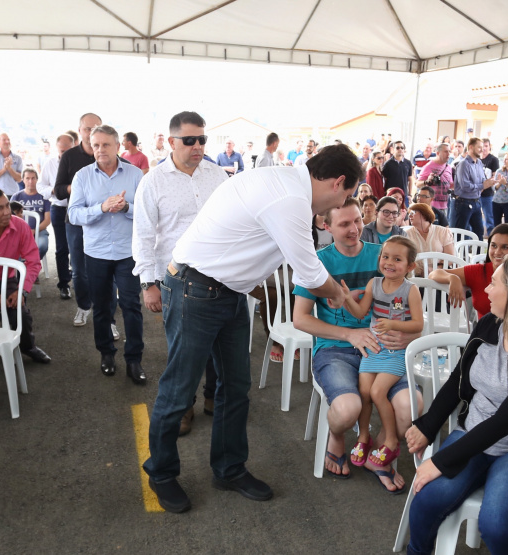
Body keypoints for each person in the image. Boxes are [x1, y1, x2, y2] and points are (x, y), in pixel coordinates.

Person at [142, 144, 357, 513]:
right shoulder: (289, 198)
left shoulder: (285, 184)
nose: (338, 208)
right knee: (179, 390)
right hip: (196, 289)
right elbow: (310, 274)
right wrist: (342, 296)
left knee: (235, 387)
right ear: (338, 183)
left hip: (228, 292)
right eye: (347, 197)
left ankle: (228, 469)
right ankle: (160, 472)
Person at [406, 253, 508, 555]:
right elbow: (460, 378)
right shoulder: (489, 323)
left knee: (496, 525)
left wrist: (442, 461)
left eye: (494, 283)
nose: (486, 290)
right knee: (426, 499)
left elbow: (505, 421)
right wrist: (429, 425)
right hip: (474, 432)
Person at [292, 197, 421, 492]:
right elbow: (300, 320)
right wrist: (350, 335)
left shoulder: (384, 256)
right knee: (348, 407)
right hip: (336, 347)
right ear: (326, 226)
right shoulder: (318, 262)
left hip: (384, 347)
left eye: (358, 221)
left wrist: (409, 335)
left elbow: (411, 303)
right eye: (344, 224)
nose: (355, 229)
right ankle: (337, 436)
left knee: (410, 408)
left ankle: (378, 451)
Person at [132, 111, 224, 434]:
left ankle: (213, 398)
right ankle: (184, 407)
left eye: (202, 139)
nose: (197, 146)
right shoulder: (153, 182)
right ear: (171, 142)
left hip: (217, 275)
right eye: (189, 140)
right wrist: (148, 283)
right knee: (182, 349)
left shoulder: (217, 176)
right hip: (175, 280)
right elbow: (143, 235)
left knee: (218, 342)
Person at [68, 125, 146, 385]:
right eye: (96, 145)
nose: (100, 150)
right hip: (97, 252)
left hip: (127, 252)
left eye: (106, 145)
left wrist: (125, 206)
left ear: (117, 147)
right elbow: (74, 214)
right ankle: (107, 354)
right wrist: (101, 207)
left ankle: (134, 359)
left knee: (132, 306)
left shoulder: (135, 175)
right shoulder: (82, 177)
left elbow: (147, 214)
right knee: (101, 307)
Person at [339, 236, 423, 471]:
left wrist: (393, 325)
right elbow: (360, 312)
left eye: (397, 259)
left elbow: (417, 325)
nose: (389, 262)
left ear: (410, 266)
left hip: (396, 351)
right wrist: (346, 298)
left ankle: (391, 441)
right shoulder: (373, 284)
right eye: (385, 257)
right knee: (364, 391)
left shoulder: (410, 290)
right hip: (375, 347)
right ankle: (364, 436)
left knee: (377, 391)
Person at [0, 186, 52, 380]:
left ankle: (28, 347)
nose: (7, 211)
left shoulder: (21, 226)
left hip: (8, 280)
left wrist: (21, 291)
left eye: (7, 205)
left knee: (20, 313)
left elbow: (33, 262)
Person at [55, 113, 117, 327]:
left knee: (110, 272)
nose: (91, 133)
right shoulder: (70, 156)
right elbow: (59, 190)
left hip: (107, 222)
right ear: (79, 130)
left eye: (96, 128)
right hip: (77, 222)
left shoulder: (109, 154)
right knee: (80, 270)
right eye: (87, 129)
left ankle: (110, 319)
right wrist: (78, 186)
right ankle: (83, 306)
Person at [429, 223, 508, 318]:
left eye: (505, 247)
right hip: (484, 332)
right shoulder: (479, 271)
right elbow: (433, 274)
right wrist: (452, 278)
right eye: (494, 246)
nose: (497, 252)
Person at [37, 133, 74, 299]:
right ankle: (64, 284)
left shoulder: (80, 163)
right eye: (61, 150)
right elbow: (40, 185)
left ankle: (84, 283)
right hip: (59, 208)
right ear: (56, 149)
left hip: (78, 208)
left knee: (82, 247)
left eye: (67, 151)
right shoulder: (50, 163)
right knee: (61, 248)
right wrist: (54, 190)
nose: (64, 154)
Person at [452, 137, 494, 238]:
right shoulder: (463, 164)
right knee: (460, 233)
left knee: (479, 231)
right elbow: (465, 186)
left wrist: (491, 182)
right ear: (470, 147)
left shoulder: (479, 163)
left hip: (476, 201)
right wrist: (483, 185)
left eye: (483, 147)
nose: (482, 149)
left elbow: (483, 180)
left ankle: (478, 254)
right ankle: (458, 254)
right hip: (463, 202)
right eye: (479, 147)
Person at [10, 168, 51, 260]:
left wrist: (34, 230)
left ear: (37, 180)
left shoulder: (44, 197)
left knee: (42, 246)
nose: (30, 181)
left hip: (39, 231)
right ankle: (22, 269)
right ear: (23, 180)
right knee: (11, 248)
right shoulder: (16, 196)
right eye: (27, 178)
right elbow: (10, 217)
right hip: (18, 232)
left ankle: (31, 268)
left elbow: (48, 220)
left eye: (33, 178)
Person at [405, 203, 454, 277]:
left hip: (441, 271)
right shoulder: (406, 234)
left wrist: (436, 269)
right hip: (416, 274)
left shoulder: (443, 232)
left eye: (413, 213)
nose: (410, 215)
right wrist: (419, 271)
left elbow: (450, 257)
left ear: (424, 215)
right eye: (409, 213)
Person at [416, 143, 452, 217]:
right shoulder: (429, 166)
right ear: (438, 153)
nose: (448, 154)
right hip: (431, 207)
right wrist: (427, 181)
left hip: (444, 207)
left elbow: (450, 184)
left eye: (449, 151)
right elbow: (418, 184)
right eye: (445, 151)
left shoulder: (448, 167)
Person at [479, 138, 500, 237]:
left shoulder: (493, 159)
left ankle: (491, 239)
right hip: (476, 193)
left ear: (489, 147)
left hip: (487, 194)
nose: (484, 148)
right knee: (476, 217)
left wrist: (485, 185)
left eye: (486, 146)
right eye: (482, 146)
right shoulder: (477, 159)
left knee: (489, 217)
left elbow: (495, 177)